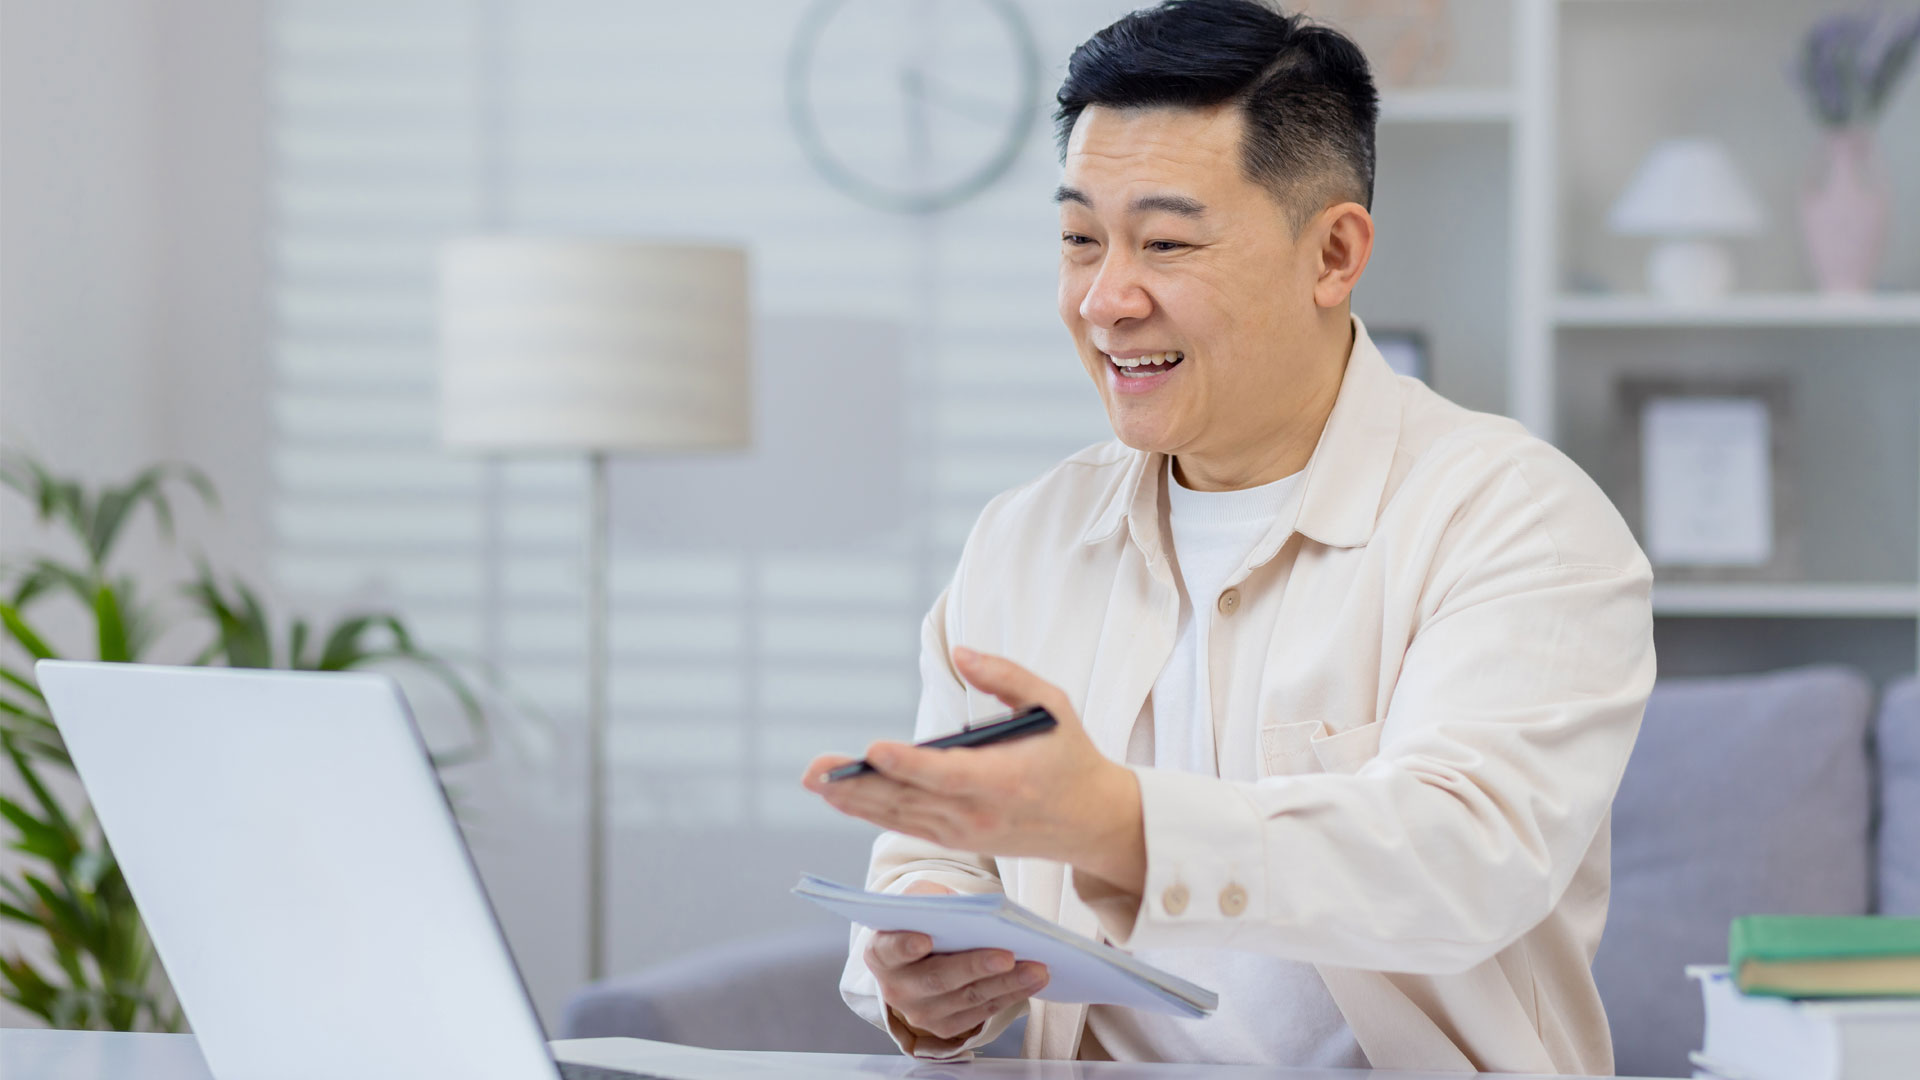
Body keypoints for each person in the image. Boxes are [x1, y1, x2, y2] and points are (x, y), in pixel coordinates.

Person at [800, 0, 1654, 1072]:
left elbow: (1463, 859)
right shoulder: (1027, 538)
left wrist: (1120, 825)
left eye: (1165, 242)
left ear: (1334, 254)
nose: (1107, 300)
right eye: (1078, 240)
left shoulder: (1517, 518)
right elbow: (937, 860)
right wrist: (922, 960)